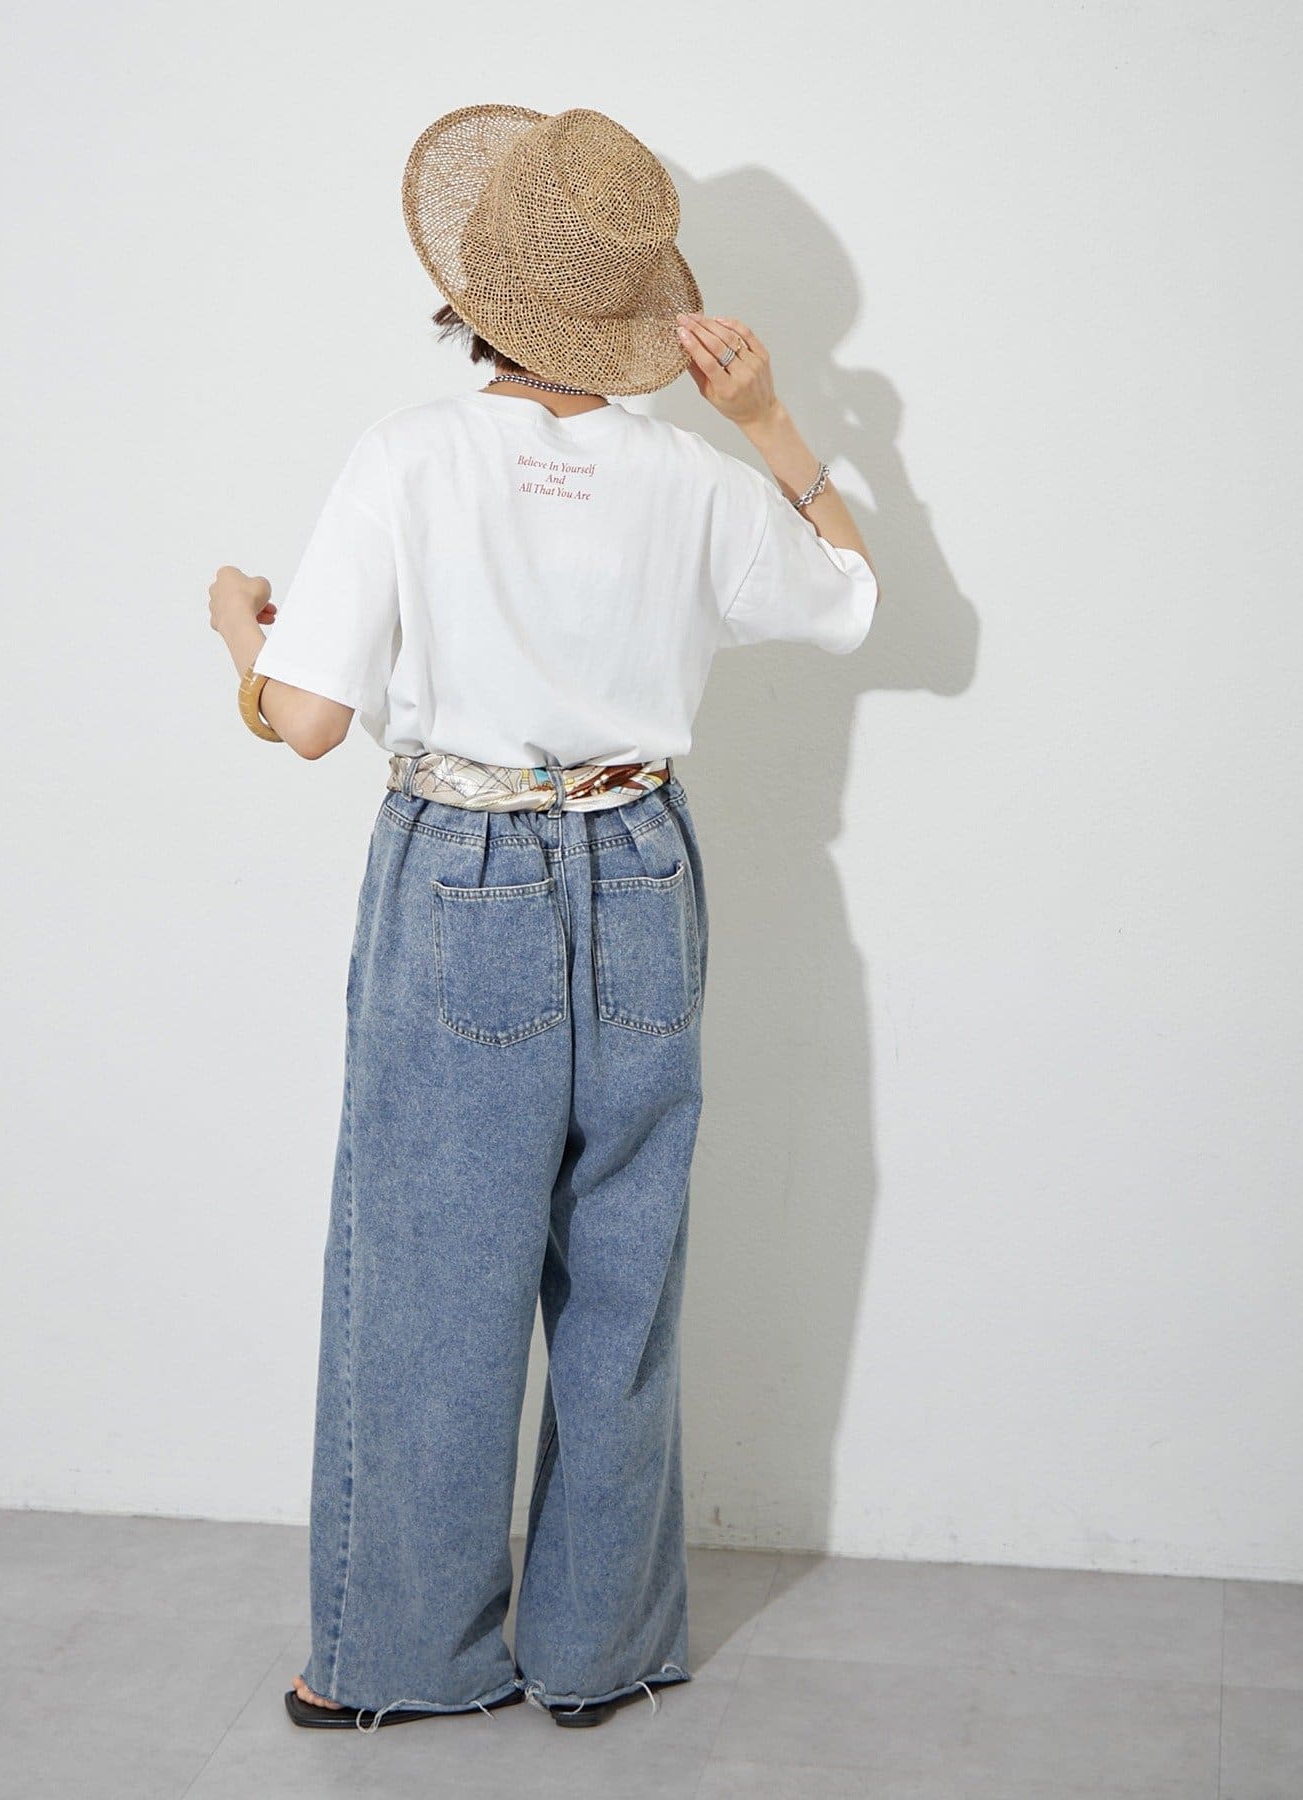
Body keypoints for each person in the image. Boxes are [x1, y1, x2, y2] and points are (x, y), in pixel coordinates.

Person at [206, 104, 880, 1735]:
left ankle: (394, 1660)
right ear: (634, 312)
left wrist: (240, 633)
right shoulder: (691, 479)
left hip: (465, 867)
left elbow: (307, 722)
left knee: (427, 1275)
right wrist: (770, 419)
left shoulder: (408, 457)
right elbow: (852, 596)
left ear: (474, 291)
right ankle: (598, 1651)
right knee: (622, 1278)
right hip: (644, 864)